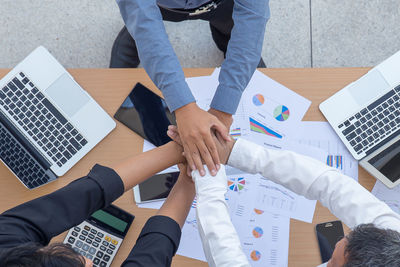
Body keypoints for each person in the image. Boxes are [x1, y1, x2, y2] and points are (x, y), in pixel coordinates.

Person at [167, 125, 400, 267]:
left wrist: (208, 174)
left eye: (333, 263)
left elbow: (227, 259)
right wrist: (234, 152)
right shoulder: (392, 237)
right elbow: (331, 184)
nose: (332, 255)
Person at [112, 0, 270, 177]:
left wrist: (223, 110)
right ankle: (132, 40)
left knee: (231, 31)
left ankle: (226, 38)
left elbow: (252, 16)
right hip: (161, 5)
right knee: (140, 31)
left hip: (220, 4)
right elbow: (144, 21)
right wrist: (184, 107)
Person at [0, 141, 195, 267]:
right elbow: (153, 254)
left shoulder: (6, 247)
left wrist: (181, 148)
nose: (89, 261)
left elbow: (84, 194)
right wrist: (191, 177)